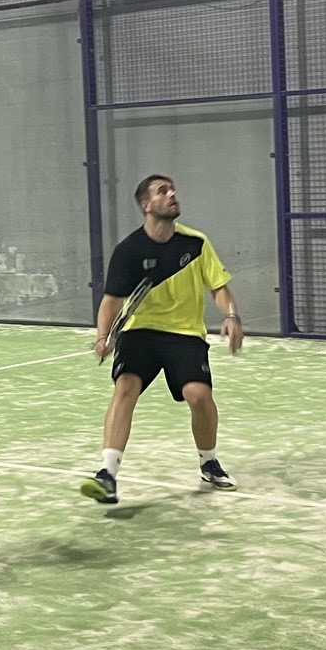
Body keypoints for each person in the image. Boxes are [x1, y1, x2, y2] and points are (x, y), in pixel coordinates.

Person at [81, 174, 243, 506]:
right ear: (146, 204)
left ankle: (209, 462)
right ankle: (107, 474)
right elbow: (112, 301)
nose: (172, 194)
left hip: (185, 333)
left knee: (199, 395)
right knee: (126, 386)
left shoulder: (195, 243)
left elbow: (219, 287)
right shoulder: (129, 250)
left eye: (172, 190)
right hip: (140, 331)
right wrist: (102, 336)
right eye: (162, 191)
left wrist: (231, 316)